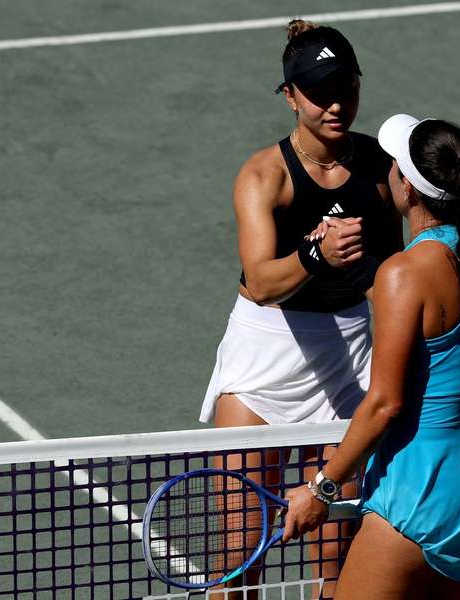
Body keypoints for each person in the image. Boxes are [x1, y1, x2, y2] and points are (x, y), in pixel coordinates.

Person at [283, 114, 460, 600]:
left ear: (407, 186)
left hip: (426, 489)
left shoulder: (406, 273)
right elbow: (447, 332)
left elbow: (385, 404)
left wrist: (322, 486)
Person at [198, 20, 402, 598]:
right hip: (265, 361)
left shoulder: (381, 169)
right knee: (241, 553)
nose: (336, 104)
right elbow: (262, 282)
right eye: (318, 92)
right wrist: (315, 252)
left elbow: (394, 272)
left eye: (346, 88)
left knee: (336, 561)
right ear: (290, 96)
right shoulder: (263, 176)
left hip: (350, 362)